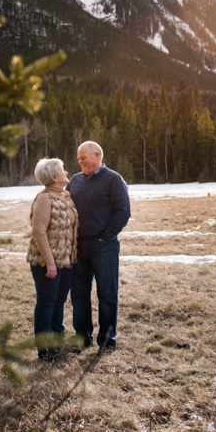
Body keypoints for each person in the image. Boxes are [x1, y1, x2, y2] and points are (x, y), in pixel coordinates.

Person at [66, 141, 131, 352]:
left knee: (107, 293)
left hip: (104, 246)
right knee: (79, 294)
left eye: (83, 157)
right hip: (78, 246)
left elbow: (123, 211)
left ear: (97, 155)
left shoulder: (113, 179)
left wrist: (106, 237)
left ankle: (107, 340)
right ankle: (82, 338)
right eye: (78, 158)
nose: (80, 161)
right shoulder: (74, 181)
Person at [26, 157, 78, 362]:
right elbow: (38, 232)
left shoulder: (66, 196)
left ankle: (58, 343)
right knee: (47, 303)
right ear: (54, 177)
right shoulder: (44, 198)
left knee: (59, 302)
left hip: (66, 261)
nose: (66, 172)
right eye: (62, 170)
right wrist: (50, 262)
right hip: (46, 263)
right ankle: (44, 350)